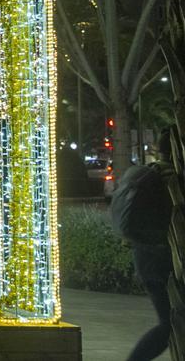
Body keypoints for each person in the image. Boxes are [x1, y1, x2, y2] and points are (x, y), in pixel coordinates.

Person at [119, 128, 175, 361]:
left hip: (146, 259)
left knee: (170, 324)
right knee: (169, 326)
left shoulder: (151, 174)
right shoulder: (170, 179)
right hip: (162, 262)